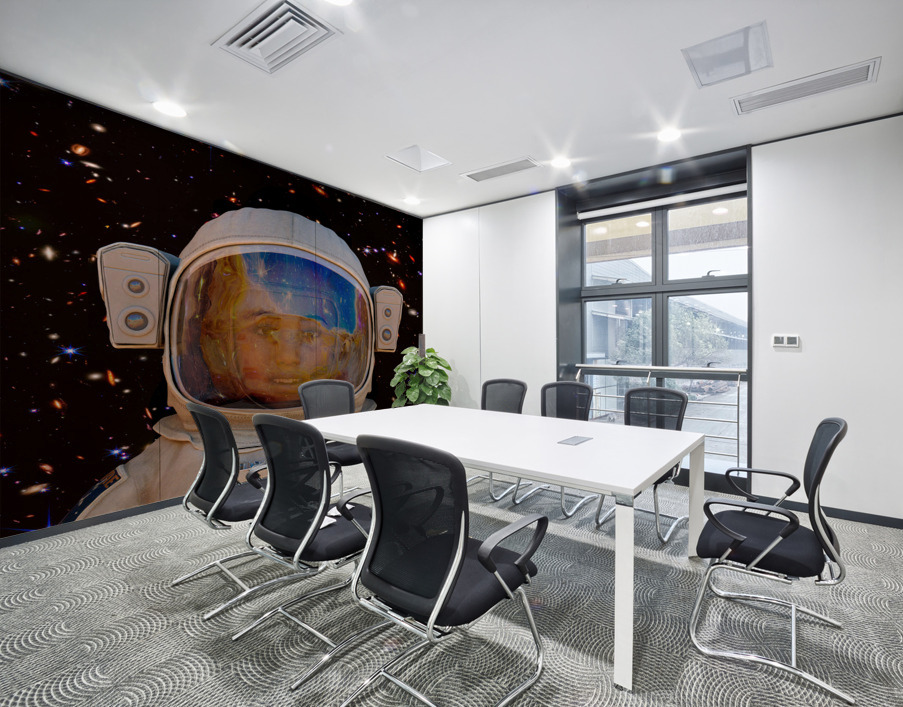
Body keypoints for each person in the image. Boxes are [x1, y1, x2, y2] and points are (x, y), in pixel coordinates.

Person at [68, 208, 397, 521]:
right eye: (264, 329)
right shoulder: (158, 472)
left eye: (310, 334)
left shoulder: (360, 443)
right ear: (207, 334)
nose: (287, 356)